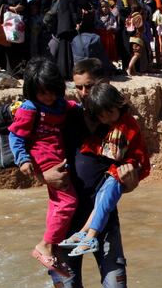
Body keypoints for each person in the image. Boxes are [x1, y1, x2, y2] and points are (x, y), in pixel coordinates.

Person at [41, 58, 139, 288]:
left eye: (90, 87)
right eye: (80, 88)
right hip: (66, 219)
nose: (84, 94)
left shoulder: (118, 121)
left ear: (104, 85)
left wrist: (131, 182)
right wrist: (42, 176)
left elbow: (132, 172)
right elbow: (36, 148)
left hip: (104, 219)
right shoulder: (66, 117)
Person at [58, 82, 150, 256]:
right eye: (102, 116)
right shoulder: (116, 124)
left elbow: (116, 153)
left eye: (110, 112)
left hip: (127, 168)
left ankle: (91, 236)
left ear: (119, 105)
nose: (107, 118)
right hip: (118, 170)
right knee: (102, 200)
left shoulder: (126, 125)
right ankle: (84, 231)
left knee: (105, 198)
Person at [7, 57, 80, 276]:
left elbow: (70, 106)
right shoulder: (29, 108)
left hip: (56, 155)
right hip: (43, 158)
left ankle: (53, 245)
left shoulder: (58, 104)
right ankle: (45, 245)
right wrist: (23, 160)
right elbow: (15, 136)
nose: (47, 97)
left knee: (56, 202)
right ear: (32, 90)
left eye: (51, 91)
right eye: (42, 93)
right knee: (69, 201)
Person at [55, 0, 85, 80]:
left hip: (63, 22)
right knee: (69, 47)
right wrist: (76, 20)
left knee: (64, 48)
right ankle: (67, 72)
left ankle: (64, 72)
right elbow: (74, 4)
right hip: (68, 22)